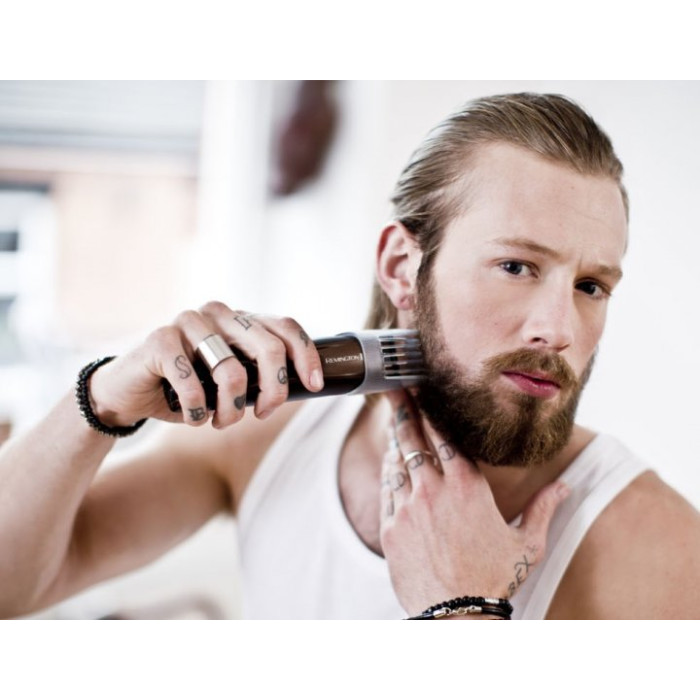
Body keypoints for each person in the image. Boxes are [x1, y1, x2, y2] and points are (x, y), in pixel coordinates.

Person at [1, 93, 698, 620]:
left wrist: (462, 615)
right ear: (401, 267)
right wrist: (99, 402)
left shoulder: (662, 552)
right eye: (516, 266)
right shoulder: (266, 433)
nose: (559, 329)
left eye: (590, 286)